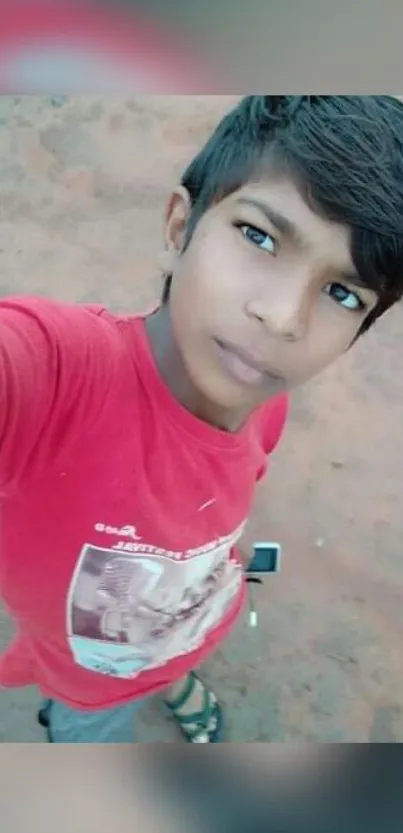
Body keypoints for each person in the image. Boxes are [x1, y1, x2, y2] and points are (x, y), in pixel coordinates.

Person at [1, 95, 403, 743]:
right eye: (259, 236)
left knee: (170, 647)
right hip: (93, 683)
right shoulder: (59, 378)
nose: (283, 316)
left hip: (185, 619)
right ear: (178, 225)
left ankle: (173, 677)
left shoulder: (263, 404)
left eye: (340, 292)